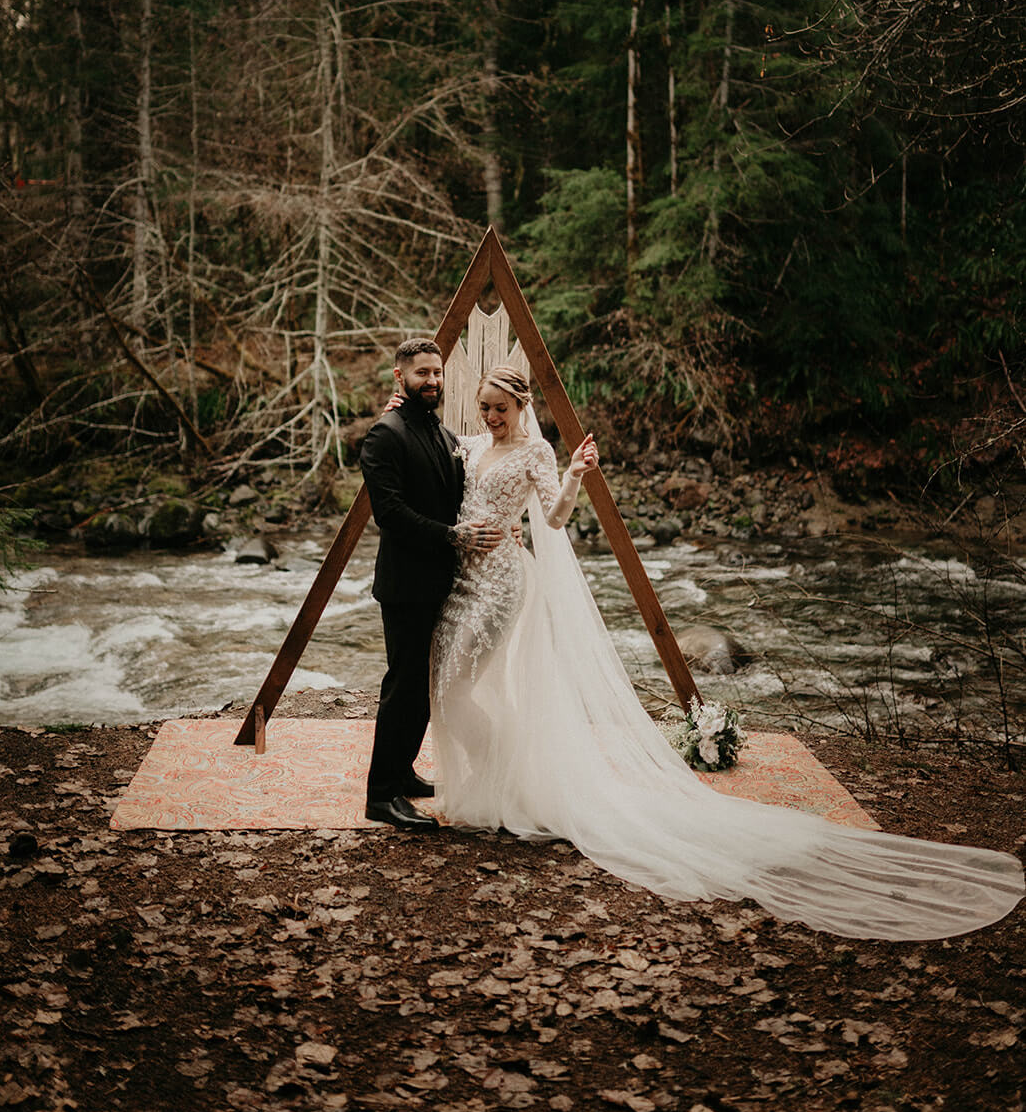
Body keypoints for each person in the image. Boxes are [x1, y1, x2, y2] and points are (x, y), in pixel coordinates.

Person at [428, 365, 1024, 941]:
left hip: (504, 581)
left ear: (522, 408)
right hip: (461, 579)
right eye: (484, 408)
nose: (491, 417)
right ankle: (505, 771)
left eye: (500, 409)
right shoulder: (471, 445)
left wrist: (577, 476)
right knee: (451, 685)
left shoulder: (536, 453)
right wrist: (402, 412)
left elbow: (554, 522)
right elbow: (433, 456)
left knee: (455, 684)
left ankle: (507, 774)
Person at [359, 338, 506, 831]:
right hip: (405, 586)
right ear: (399, 377)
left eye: (438, 373)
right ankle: (380, 795)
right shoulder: (385, 434)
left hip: (443, 583)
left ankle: (402, 774)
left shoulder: (439, 430)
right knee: (403, 688)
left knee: (424, 688)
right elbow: (390, 514)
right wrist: (452, 535)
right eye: (422, 373)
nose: (433, 381)